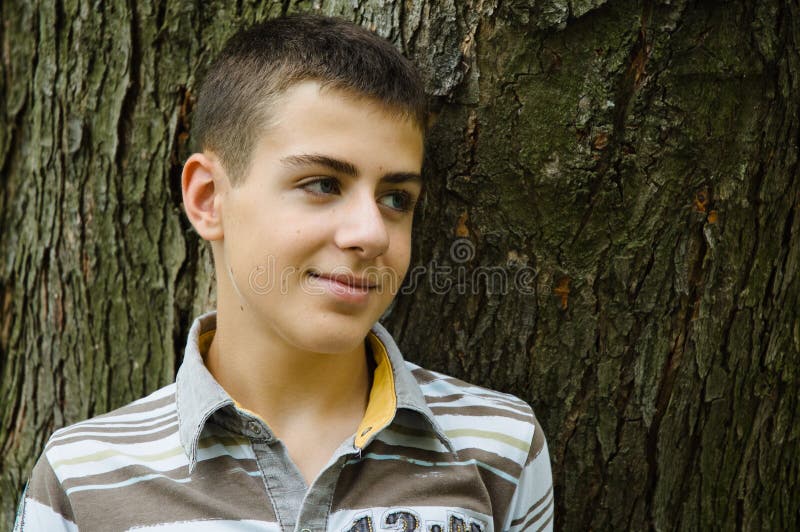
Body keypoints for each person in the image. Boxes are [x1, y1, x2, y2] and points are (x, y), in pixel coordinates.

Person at [15, 14, 553, 532]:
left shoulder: (499, 448)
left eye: (396, 198)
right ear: (208, 199)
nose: (372, 233)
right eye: (322, 184)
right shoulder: (83, 478)